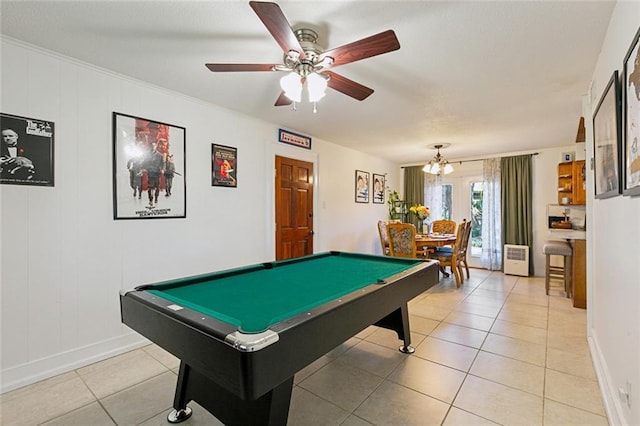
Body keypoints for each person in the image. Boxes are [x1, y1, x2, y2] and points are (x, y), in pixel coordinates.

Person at [142, 141, 164, 207]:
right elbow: (144, 162)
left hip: (157, 173)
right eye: (152, 146)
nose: (153, 147)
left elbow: (162, 163)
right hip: (150, 172)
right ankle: (150, 200)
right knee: (150, 187)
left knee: (157, 187)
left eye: (154, 146)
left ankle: (156, 198)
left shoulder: (160, 155)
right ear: (150, 146)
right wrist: (144, 168)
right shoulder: (147, 155)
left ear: (156, 146)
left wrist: (162, 169)